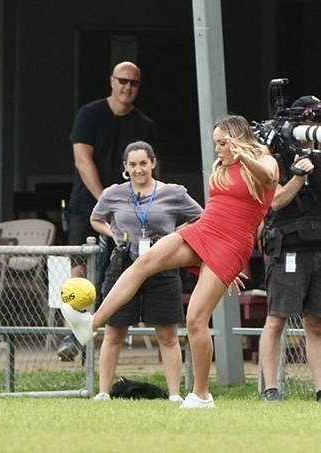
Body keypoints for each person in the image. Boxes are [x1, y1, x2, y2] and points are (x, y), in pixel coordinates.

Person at [61, 115, 278, 408]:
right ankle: (92, 324)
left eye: (222, 143)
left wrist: (243, 157)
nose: (218, 150)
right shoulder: (222, 166)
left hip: (231, 243)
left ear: (237, 139)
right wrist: (230, 158)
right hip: (205, 229)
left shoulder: (263, 159)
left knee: (195, 319)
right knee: (143, 262)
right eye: (216, 144)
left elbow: (270, 180)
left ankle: (201, 395)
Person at [58, 61, 158, 361]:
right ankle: (72, 335)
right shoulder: (89, 115)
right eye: (122, 81)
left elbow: (151, 168)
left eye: (134, 83)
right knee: (81, 269)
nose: (127, 87)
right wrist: (105, 199)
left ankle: (103, 331)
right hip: (87, 205)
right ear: (112, 81)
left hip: (129, 212)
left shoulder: (144, 125)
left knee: (117, 270)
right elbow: (82, 160)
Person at [89, 141, 203, 402]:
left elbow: (200, 217)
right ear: (125, 168)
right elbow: (97, 218)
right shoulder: (113, 193)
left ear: (153, 163)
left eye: (143, 163)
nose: (138, 169)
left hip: (162, 265)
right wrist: (114, 234)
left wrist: (177, 236)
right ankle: (104, 391)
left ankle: (175, 393)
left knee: (168, 334)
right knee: (114, 331)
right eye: (132, 165)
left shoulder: (173, 193)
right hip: (124, 264)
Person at [259, 95, 321, 403]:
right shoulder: (276, 157)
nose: (314, 127)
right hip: (288, 247)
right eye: (310, 121)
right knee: (277, 318)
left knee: (316, 323)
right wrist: (299, 174)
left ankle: (320, 390)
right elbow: (274, 202)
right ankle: (271, 389)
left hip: (318, 248)